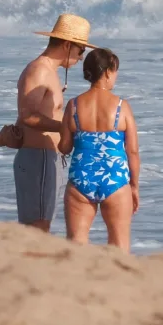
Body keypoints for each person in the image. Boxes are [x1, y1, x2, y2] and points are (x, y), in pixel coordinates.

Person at [14, 14, 96, 232]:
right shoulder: (40, 71)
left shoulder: (49, 72)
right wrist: (65, 127)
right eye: (81, 51)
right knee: (37, 226)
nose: (81, 58)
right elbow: (27, 116)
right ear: (68, 45)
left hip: (44, 157)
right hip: (37, 157)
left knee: (40, 224)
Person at [58, 48, 140, 250]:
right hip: (115, 179)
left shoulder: (74, 106)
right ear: (108, 72)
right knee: (119, 245)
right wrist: (134, 186)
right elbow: (133, 152)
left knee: (77, 244)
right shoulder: (121, 106)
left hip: (81, 178)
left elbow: (65, 147)